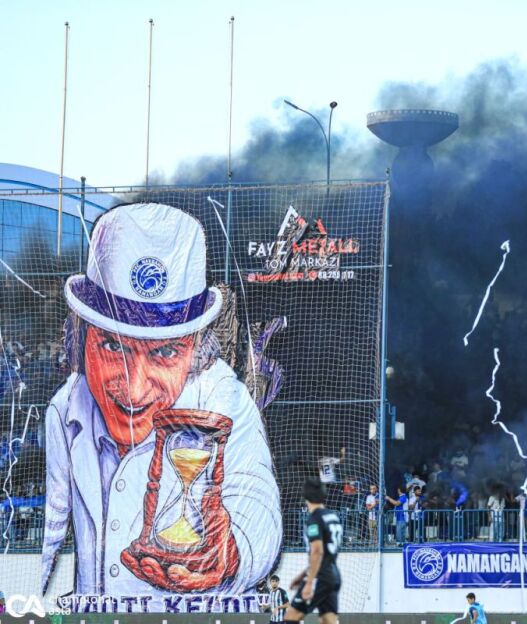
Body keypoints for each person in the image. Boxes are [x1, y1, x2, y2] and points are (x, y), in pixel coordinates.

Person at [41, 203, 281, 597]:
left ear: (195, 351)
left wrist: (230, 553)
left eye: (165, 353)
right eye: (112, 347)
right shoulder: (66, 407)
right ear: (82, 339)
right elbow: (52, 526)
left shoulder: (223, 397)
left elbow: (257, 502)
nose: (135, 390)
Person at [285, 477, 343, 624]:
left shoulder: (314, 518)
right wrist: (303, 574)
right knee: (328, 620)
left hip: (320, 577)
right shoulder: (332, 516)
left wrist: (309, 582)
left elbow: (317, 551)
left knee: (291, 616)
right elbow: (326, 555)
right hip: (333, 575)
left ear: (305, 495)